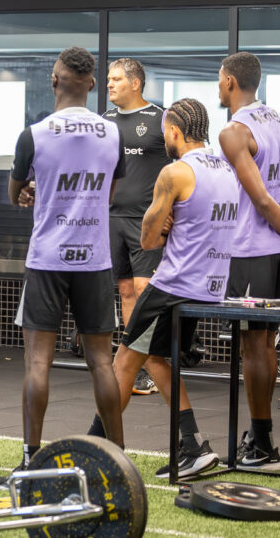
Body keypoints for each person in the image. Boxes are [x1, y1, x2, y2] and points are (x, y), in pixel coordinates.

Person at [89, 98, 238, 478]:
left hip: (174, 284)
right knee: (157, 360)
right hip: (211, 283)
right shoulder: (226, 167)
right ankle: (193, 447)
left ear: (173, 131)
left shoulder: (175, 172)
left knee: (123, 361)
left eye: (164, 132)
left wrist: (164, 223)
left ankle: (90, 450)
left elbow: (149, 241)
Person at [6, 47, 125, 481]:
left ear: (54, 82)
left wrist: (30, 191)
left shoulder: (34, 134)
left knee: (37, 362)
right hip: (93, 258)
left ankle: (29, 460)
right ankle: (119, 460)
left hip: (48, 258)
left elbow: (14, 192)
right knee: (101, 361)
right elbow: (109, 195)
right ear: (92, 84)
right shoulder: (112, 133)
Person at [218, 51, 280, 471]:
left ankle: (262, 445)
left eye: (221, 79)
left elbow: (261, 198)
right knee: (262, 343)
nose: (219, 86)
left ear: (231, 83)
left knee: (255, 347)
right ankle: (261, 440)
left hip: (254, 249)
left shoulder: (234, 131)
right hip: (276, 251)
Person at [102, 58, 170, 396]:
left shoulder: (160, 119)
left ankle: (154, 360)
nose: (110, 84)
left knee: (145, 291)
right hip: (112, 218)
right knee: (126, 291)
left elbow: (185, 167)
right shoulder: (105, 121)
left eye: (116, 79)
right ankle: (139, 370)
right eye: (108, 79)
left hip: (147, 222)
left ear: (135, 84)